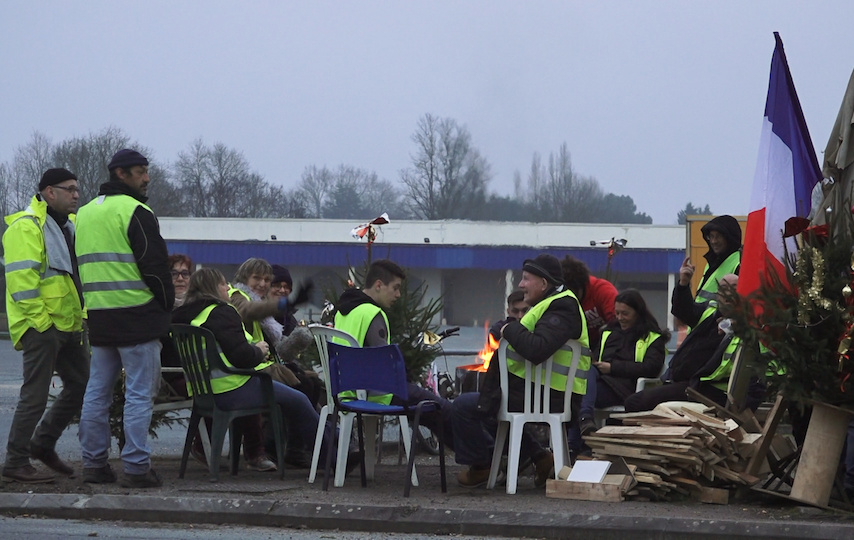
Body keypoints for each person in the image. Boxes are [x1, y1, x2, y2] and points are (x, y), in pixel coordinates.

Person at [172, 269, 337, 474]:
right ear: (213, 288)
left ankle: (337, 447)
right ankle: (334, 458)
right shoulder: (222, 312)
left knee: (299, 397)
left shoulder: (182, 316)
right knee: (300, 400)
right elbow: (241, 356)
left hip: (205, 392)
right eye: (224, 284)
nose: (227, 288)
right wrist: (258, 350)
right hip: (232, 387)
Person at [75, 149, 173, 488]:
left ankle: (94, 464)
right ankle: (135, 468)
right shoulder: (136, 211)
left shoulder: (84, 214)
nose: (146, 178)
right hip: (138, 318)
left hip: (101, 319)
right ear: (121, 174)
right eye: (140, 172)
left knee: (96, 393)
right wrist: (166, 306)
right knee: (138, 394)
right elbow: (156, 268)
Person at [453, 254, 590, 488]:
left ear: (544, 284)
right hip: (535, 392)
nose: (520, 284)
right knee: (484, 406)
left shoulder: (563, 307)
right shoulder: (551, 305)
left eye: (526, 278)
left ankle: (483, 466)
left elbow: (537, 349)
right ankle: (540, 457)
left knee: (464, 408)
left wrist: (508, 328)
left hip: (548, 396)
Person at [1, 168, 90, 484]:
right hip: (44, 326)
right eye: (70, 189)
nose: (76, 194)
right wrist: (42, 323)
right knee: (35, 396)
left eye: (77, 189)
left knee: (81, 385)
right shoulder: (26, 228)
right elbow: (21, 283)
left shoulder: (70, 226)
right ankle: (15, 461)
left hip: (69, 325)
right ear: (49, 192)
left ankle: (42, 444)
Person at [333, 259, 453, 449]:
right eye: (395, 288)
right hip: (378, 393)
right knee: (442, 408)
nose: (398, 294)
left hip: (346, 391)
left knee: (431, 413)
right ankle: (478, 459)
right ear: (379, 285)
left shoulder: (344, 311)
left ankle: (474, 460)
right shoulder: (372, 313)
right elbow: (385, 364)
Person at [228, 257, 315, 467]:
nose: (263, 284)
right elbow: (247, 311)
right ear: (243, 278)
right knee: (303, 390)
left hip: (261, 366)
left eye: (267, 280)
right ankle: (310, 448)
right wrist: (287, 303)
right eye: (257, 278)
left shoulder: (259, 303)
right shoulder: (238, 297)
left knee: (309, 384)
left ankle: (298, 449)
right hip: (247, 372)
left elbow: (279, 350)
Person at [624, 274, 740, 412]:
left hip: (705, 389)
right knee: (635, 401)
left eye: (734, 288)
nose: (728, 293)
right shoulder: (708, 312)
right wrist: (683, 284)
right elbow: (683, 310)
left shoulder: (745, 326)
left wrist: (737, 327)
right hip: (683, 382)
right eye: (724, 288)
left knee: (635, 402)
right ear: (717, 294)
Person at [576, 289, 669, 436]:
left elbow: (651, 368)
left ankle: (579, 437)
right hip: (601, 382)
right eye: (617, 313)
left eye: (625, 313)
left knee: (578, 394)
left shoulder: (652, 337)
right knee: (586, 373)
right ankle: (584, 424)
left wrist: (613, 368)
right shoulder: (608, 333)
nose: (620, 318)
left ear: (638, 312)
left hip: (626, 389)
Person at [678, 215, 741, 308]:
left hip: (717, 322)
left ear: (729, 238)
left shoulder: (740, 264)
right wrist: (683, 284)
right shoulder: (712, 263)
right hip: (702, 321)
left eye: (718, 236)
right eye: (711, 236)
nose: (713, 241)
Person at [560, 255, 616, 351]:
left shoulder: (602, 290)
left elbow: (618, 325)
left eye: (571, 292)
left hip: (605, 345)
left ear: (580, 285)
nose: (569, 297)